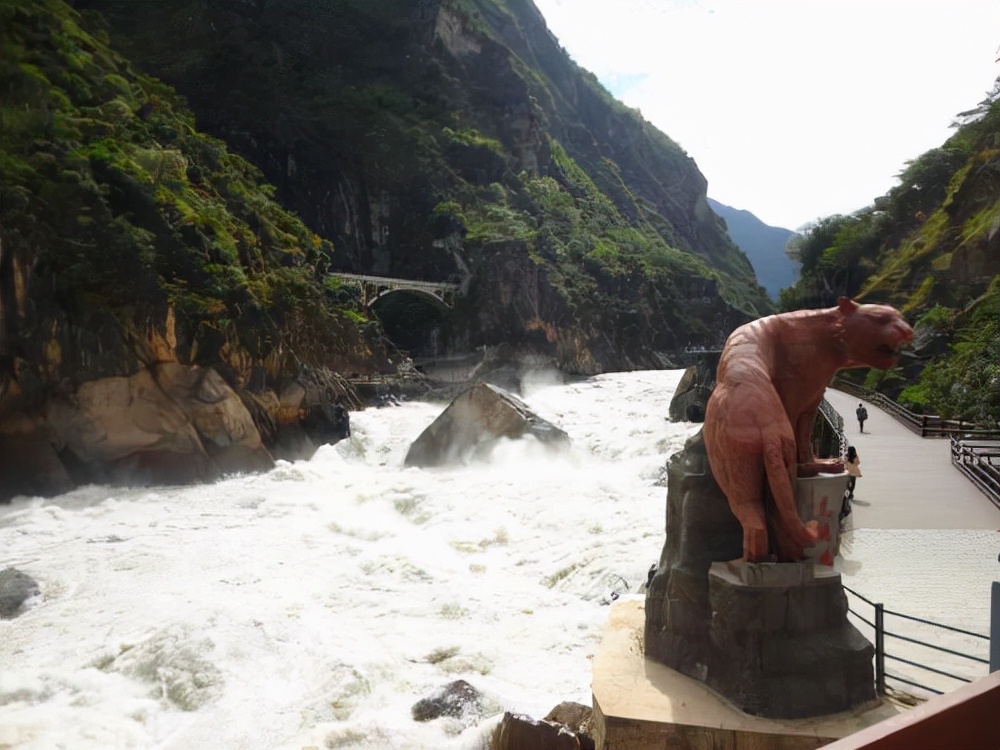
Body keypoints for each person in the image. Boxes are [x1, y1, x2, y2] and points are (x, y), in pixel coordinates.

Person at [841, 446, 862, 520]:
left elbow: (843, 462)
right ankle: (851, 492)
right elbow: (858, 463)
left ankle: (849, 492)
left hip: (848, 472)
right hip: (854, 472)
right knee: (853, 483)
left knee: (848, 484)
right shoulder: (855, 457)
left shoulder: (847, 457)